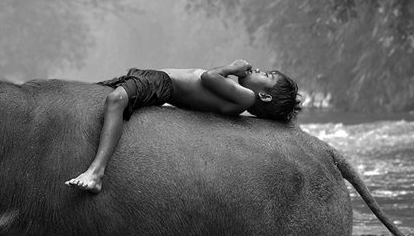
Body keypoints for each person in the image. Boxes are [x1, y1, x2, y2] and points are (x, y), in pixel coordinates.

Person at [66, 60, 301, 194]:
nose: (259, 70)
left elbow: (209, 77)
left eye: (267, 75)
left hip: (162, 83)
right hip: (155, 79)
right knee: (94, 93)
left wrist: (231, 68)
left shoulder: (246, 97)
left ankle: (96, 171)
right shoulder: (239, 101)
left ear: (265, 97)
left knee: (115, 100)